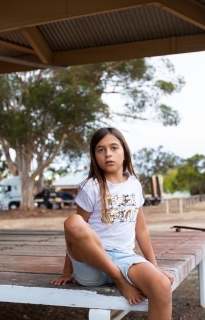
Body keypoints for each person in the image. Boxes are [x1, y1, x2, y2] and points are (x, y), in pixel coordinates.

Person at [51, 127, 174, 320]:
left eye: (114, 148)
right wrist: (67, 271)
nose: (108, 153)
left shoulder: (134, 184)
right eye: (100, 149)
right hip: (92, 262)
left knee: (162, 284)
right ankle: (119, 280)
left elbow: (140, 229)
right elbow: (74, 234)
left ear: (124, 152)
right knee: (73, 221)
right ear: (94, 156)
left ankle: (122, 275)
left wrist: (154, 266)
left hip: (125, 258)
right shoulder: (90, 187)